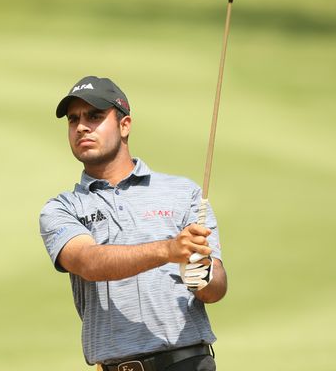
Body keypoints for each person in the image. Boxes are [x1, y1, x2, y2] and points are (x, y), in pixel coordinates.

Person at [39, 76, 228, 371]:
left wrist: (201, 272)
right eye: (73, 120)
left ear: (125, 125)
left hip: (188, 363)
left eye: (95, 116)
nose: (82, 127)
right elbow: (89, 262)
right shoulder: (62, 208)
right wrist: (169, 250)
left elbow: (215, 290)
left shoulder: (183, 193)